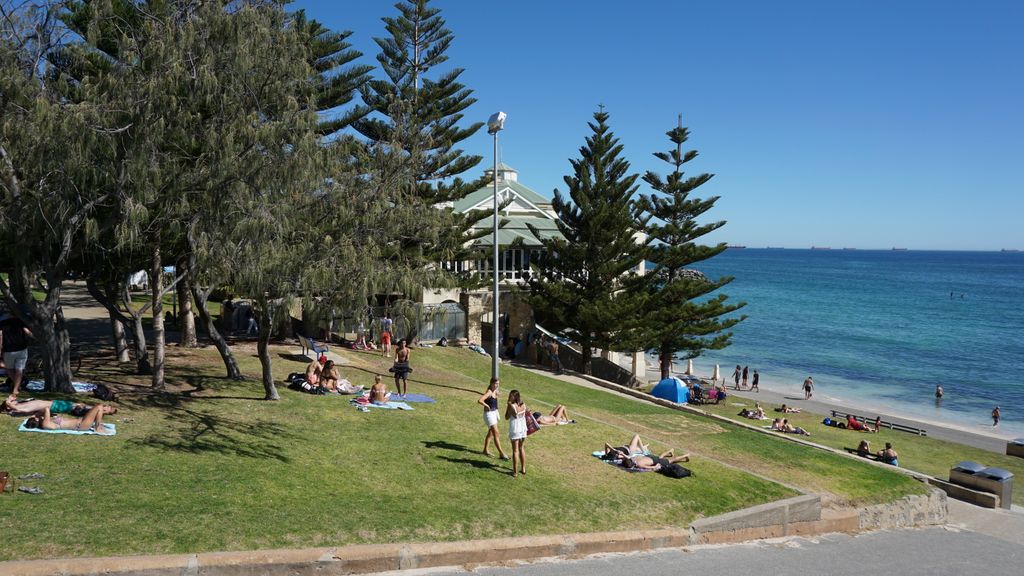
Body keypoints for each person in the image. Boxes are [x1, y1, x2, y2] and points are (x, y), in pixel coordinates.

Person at [0, 310, 33, 396]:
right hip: (21, 348)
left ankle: (16, 386)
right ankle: (16, 388)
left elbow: (0, 336)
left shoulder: (3, 323)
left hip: (9, 350)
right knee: (19, 370)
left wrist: (0, 349)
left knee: (9, 368)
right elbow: (28, 332)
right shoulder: (21, 322)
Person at [23, 404, 114, 435]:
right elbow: (47, 409)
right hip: (81, 425)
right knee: (99, 407)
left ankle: (98, 425)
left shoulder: (47, 422)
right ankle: (97, 428)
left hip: (82, 422)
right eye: (36, 418)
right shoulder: (46, 424)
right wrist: (37, 414)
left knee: (99, 408)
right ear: (37, 420)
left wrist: (36, 416)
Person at [478, 378, 509, 460]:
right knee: (496, 433)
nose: (497, 385)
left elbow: (495, 395)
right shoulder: (489, 392)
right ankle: (501, 453)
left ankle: (485, 450)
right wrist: (486, 405)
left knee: (491, 433)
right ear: (491, 383)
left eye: (498, 384)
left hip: (494, 413)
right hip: (489, 415)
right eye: (495, 384)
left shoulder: (495, 391)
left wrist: (498, 394)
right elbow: (480, 400)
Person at [3, 395, 116, 417]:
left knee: (31, 406)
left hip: (58, 406)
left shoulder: (94, 411)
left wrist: (79, 406)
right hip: (57, 404)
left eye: (107, 409)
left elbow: (77, 412)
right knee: (34, 403)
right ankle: (12, 406)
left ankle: (11, 405)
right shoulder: (93, 408)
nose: (105, 407)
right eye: (107, 406)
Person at [506, 389, 527, 477]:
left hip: (515, 429)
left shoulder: (511, 405)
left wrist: (508, 405)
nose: (509, 397)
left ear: (515, 397)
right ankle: (523, 468)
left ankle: (515, 472)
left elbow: (506, 417)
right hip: (523, 428)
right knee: (521, 448)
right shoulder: (523, 404)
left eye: (511, 396)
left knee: (515, 450)